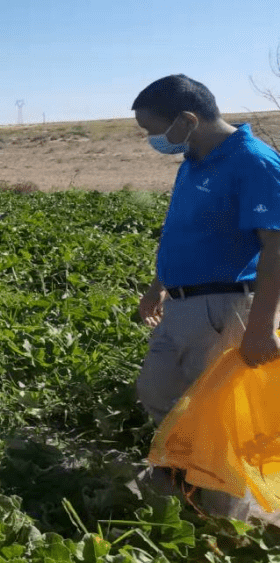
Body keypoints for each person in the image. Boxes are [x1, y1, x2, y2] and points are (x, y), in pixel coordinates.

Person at [132, 74, 280, 515]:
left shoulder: (253, 161)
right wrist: (157, 288)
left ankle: (228, 520)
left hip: (227, 306)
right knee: (158, 392)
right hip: (182, 303)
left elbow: (275, 247)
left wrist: (259, 329)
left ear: (187, 119)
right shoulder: (194, 161)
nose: (154, 140)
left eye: (155, 130)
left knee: (222, 420)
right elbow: (182, 233)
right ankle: (189, 487)